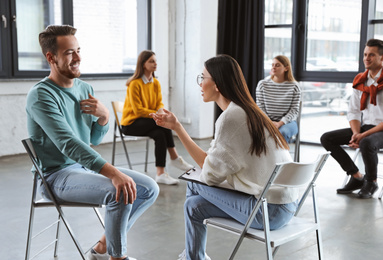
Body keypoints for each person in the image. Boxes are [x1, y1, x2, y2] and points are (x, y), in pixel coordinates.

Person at [26, 25, 159, 260]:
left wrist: (104, 117)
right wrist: (113, 173)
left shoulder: (84, 88)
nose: (78, 57)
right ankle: (117, 257)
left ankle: (100, 248)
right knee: (119, 190)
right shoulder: (41, 95)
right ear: (51, 57)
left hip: (82, 169)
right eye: (69, 53)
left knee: (149, 188)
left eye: (78, 50)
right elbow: (68, 143)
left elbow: (92, 140)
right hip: (55, 176)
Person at [151, 55, 299, 260]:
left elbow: (210, 175)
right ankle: (193, 257)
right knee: (193, 206)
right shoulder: (252, 112)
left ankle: (192, 258)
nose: (200, 83)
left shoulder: (231, 118)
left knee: (193, 183)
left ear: (218, 84)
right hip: (287, 206)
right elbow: (214, 162)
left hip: (266, 211)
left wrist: (177, 127)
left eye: (203, 77)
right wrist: (177, 126)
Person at [321, 39, 383, 199]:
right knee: (327, 138)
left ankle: (371, 182)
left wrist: (362, 137)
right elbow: (354, 112)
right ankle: (356, 176)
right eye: (365, 54)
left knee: (367, 142)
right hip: (366, 127)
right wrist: (357, 133)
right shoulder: (360, 81)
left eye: (371, 55)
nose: (366, 58)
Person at [121, 50, 193, 185]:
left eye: (155, 61)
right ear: (143, 64)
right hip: (131, 124)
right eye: (151, 61)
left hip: (148, 122)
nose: (155, 64)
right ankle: (175, 157)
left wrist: (160, 111)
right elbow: (137, 110)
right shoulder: (135, 84)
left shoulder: (156, 83)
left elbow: (159, 103)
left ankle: (160, 173)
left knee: (160, 133)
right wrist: (157, 114)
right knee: (163, 124)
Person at [256, 55, 301, 143]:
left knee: (282, 132)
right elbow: (260, 107)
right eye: (272, 65)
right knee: (256, 132)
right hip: (266, 121)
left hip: (288, 123)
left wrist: (280, 123)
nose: (273, 67)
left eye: (277, 65)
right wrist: (269, 122)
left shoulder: (294, 86)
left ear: (286, 68)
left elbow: (294, 110)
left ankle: (279, 157)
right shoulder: (262, 84)